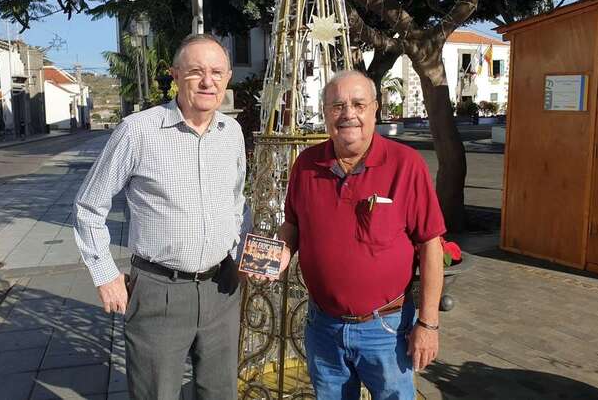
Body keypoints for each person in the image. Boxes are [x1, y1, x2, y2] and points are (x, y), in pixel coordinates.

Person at [74, 33, 246, 400]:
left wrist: (235, 246)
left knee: (220, 392)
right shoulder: (138, 131)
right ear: (175, 74)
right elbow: (89, 206)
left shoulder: (232, 132)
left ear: (228, 77)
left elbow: (236, 198)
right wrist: (105, 275)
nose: (207, 81)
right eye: (195, 71)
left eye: (217, 72)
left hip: (222, 289)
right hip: (159, 292)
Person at [276, 70, 445, 400]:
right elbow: (292, 224)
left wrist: (428, 324)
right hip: (324, 327)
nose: (348, 114)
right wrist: (278, 255)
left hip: (386, 329)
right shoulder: (307, 165)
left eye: (358, 104)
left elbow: (430, 243)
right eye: (337, 105)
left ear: (375, 109)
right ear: (325, 113)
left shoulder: (405, 164)